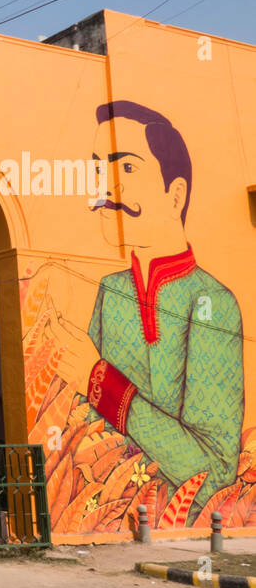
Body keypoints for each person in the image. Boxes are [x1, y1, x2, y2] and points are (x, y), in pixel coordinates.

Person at [52, 100, 244, 525]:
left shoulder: (210, 302)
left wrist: (98, 379)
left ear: (175, 195)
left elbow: (211, 469)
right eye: (100, 170)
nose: (105, 187)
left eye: (127, 169)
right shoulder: (111, 290)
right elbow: (88, 430)